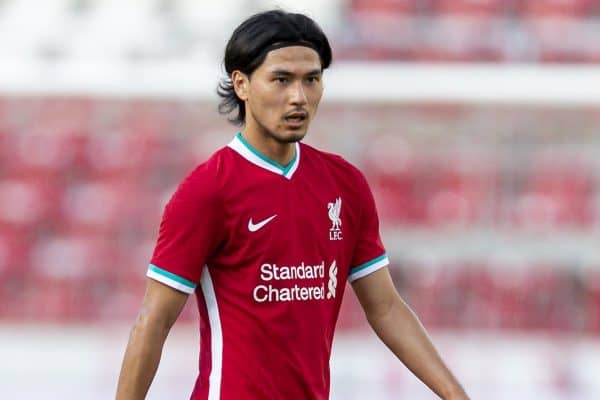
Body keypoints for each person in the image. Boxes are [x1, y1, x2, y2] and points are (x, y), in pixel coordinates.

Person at [116, 9, 469, 400]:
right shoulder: (208, 191)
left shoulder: (344, 185)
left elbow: (385, 307)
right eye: (281, 80)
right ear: (242, 84)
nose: (298, 97)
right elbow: (154, 320)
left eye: (311, 80)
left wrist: (455, 394)